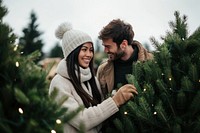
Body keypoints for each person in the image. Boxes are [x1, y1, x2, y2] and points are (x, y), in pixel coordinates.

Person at [49, 22, 138, 133]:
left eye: (91, 50)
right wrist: (116, 100)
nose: (89, 54)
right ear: (72, 52)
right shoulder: (59, 84)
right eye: (84, 49)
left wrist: (117, 95)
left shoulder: (92, 80)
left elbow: (101, 110)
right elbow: (82, 121)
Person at [97, 19, 153, 98]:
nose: (105, 51)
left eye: (108, 46)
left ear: (123, 44)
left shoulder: (152, 63)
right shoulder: (103, 70)